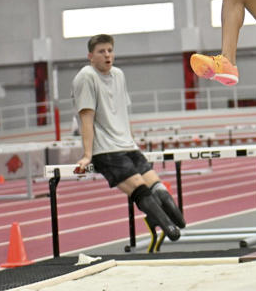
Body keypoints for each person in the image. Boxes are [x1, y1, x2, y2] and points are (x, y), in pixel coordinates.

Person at [72, 34, 186, 243]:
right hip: (106, 150)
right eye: (101, 51)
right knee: (143, 192)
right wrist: (88, 155)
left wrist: (133, 143)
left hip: (128, 146)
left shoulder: (119, 74)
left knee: (159, 190)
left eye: (110, 50)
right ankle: (164, 226)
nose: (107, 55)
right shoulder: (86, 77)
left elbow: (123, 114)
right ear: (90, 56)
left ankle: (165, 222)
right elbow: (86, 116)